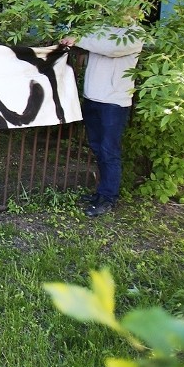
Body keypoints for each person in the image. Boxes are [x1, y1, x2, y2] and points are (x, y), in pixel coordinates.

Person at [60, 18, 144, 218]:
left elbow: (111, 47)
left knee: (109, 150)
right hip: (93, 96)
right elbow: (97, 42)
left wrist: (79, 39)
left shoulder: (136, 33)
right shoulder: (100, 28)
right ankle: (101, 192)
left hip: (114, 101)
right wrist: (83, 38)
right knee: (97, 147)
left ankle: (108, 197)